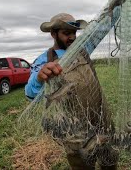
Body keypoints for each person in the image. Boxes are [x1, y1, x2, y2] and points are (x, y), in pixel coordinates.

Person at [25, 13, 118, 170]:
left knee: (109, 158)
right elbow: (29, 93)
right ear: (53, 34)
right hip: (74, 127)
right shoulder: (44, 60)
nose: (73, 37)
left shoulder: (83, 48)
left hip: (101, 115)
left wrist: (115, 3)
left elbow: (102, 29)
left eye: (74, 32)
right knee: (82, 164)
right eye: (66, 33)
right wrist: (40, 78)